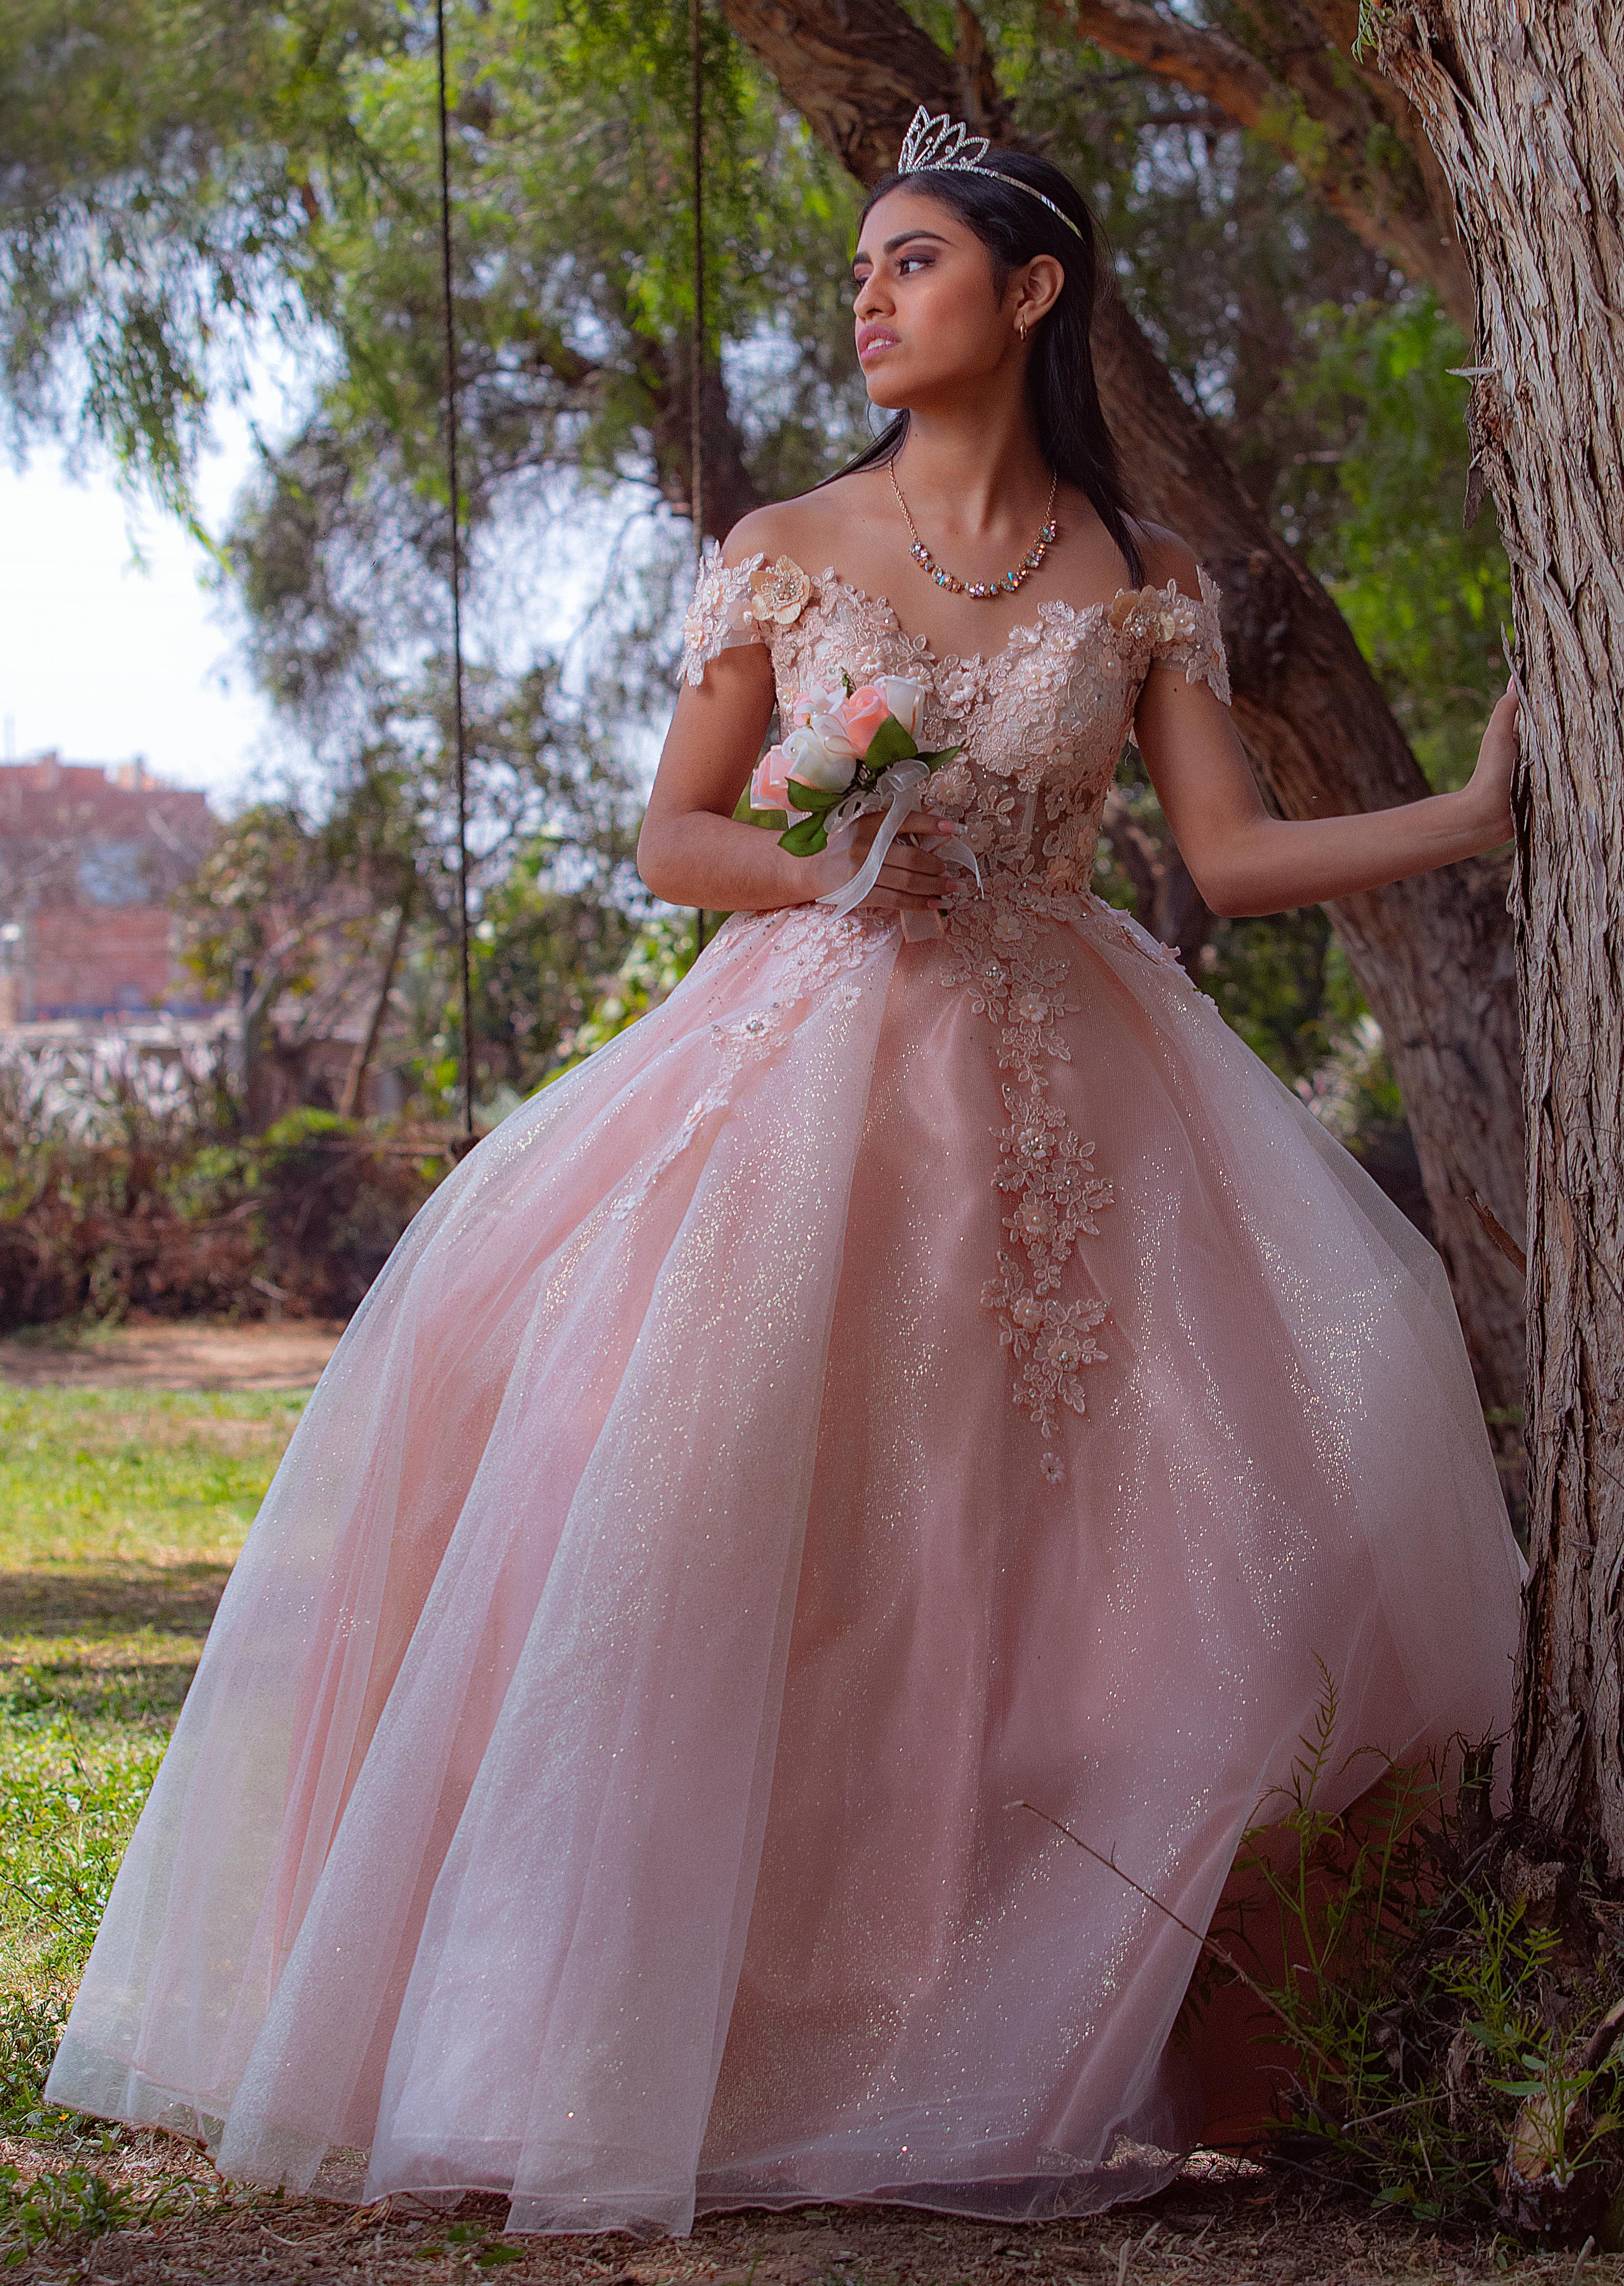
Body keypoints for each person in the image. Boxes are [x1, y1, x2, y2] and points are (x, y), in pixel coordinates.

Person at [46, 110, 1524, 2240]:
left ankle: (1032, 2033)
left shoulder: (1145, 580)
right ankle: (683, 2040)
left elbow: (1224, 857)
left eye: (913, 262)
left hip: (1075, 1092)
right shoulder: (786, 544)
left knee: (1087, 1556)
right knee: (743, 1521)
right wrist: (824, 866)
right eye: (858, 270)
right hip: (810, 1070)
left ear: (1031, 289)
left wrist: (1465, 817)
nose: (868, 301)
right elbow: (677, 838)